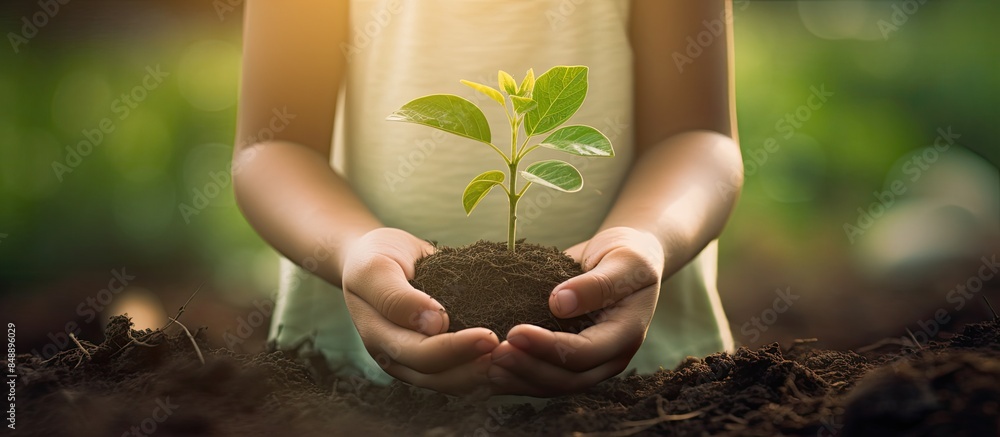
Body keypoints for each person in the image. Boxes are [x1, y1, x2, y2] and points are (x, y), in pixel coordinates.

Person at [233, 0, 743, 397]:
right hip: (351, 376)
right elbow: (274, 144)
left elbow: (699, 136)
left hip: (647, 381)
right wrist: (352, 249)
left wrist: (645, 240)